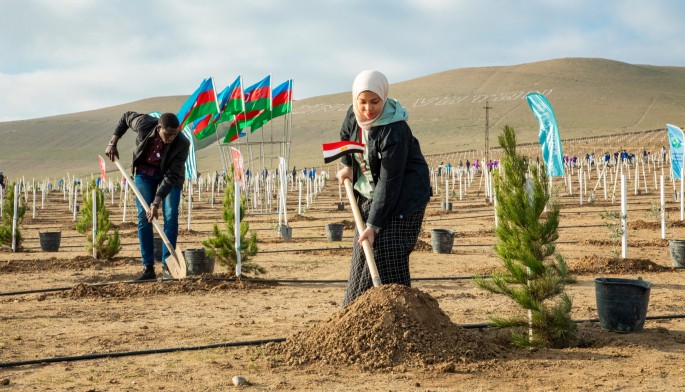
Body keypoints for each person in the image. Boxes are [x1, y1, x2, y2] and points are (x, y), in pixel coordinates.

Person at [336, 70, 431, 307]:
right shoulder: (353, 114)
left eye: (375, 102)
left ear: (385, 98)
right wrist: (348, 165)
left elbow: (390, 181)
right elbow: (345, 139)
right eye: (363, 102)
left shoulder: (394, 130)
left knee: (388, 252)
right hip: (371, 191)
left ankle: (399, 313)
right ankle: (356, 312)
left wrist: (373, 225)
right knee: (363, 253)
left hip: (404, 198)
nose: (368, 109)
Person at [105, 112, 189, 280]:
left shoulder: (182, 143)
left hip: (170, 177)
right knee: (144, 217)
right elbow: (125, 117)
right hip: (145, 172)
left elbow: (172, 175)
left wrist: (156, 202)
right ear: (159, 128)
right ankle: (148, 268)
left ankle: (168, 266)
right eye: (168, 134)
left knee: (171, 216)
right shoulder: (144, 124)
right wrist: (113, 142)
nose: (172, 138)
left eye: (175, 134)